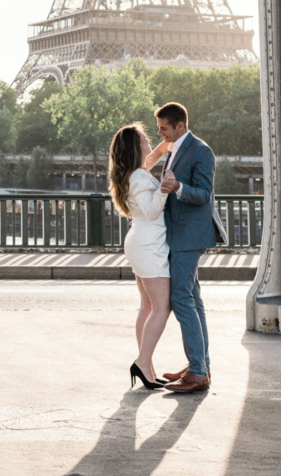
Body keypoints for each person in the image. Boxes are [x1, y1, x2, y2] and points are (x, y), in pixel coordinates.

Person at [155, 102, 227, 393]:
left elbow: (204, 195)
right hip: (179, 233)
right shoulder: (174, 148)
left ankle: (198, 371)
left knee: (181, 298)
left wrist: (177, 188)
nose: (160, 133)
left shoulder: (201, 150)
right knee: (193, 301)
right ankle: (200, 366)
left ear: (180, 126)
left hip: (189, 235)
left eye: (163, 128)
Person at [107, 121, 173, 390]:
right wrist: (165, 188)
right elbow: (151, 211)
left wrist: (165, 147)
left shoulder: (134, 174)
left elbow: (151, 158)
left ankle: (147, 366)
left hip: (140, 243)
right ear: (136, 146)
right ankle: (143, 362)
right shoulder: (140, 177)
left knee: (146, 306)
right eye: (145, 138)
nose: (148, 140)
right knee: (161, 306)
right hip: (149, 245)